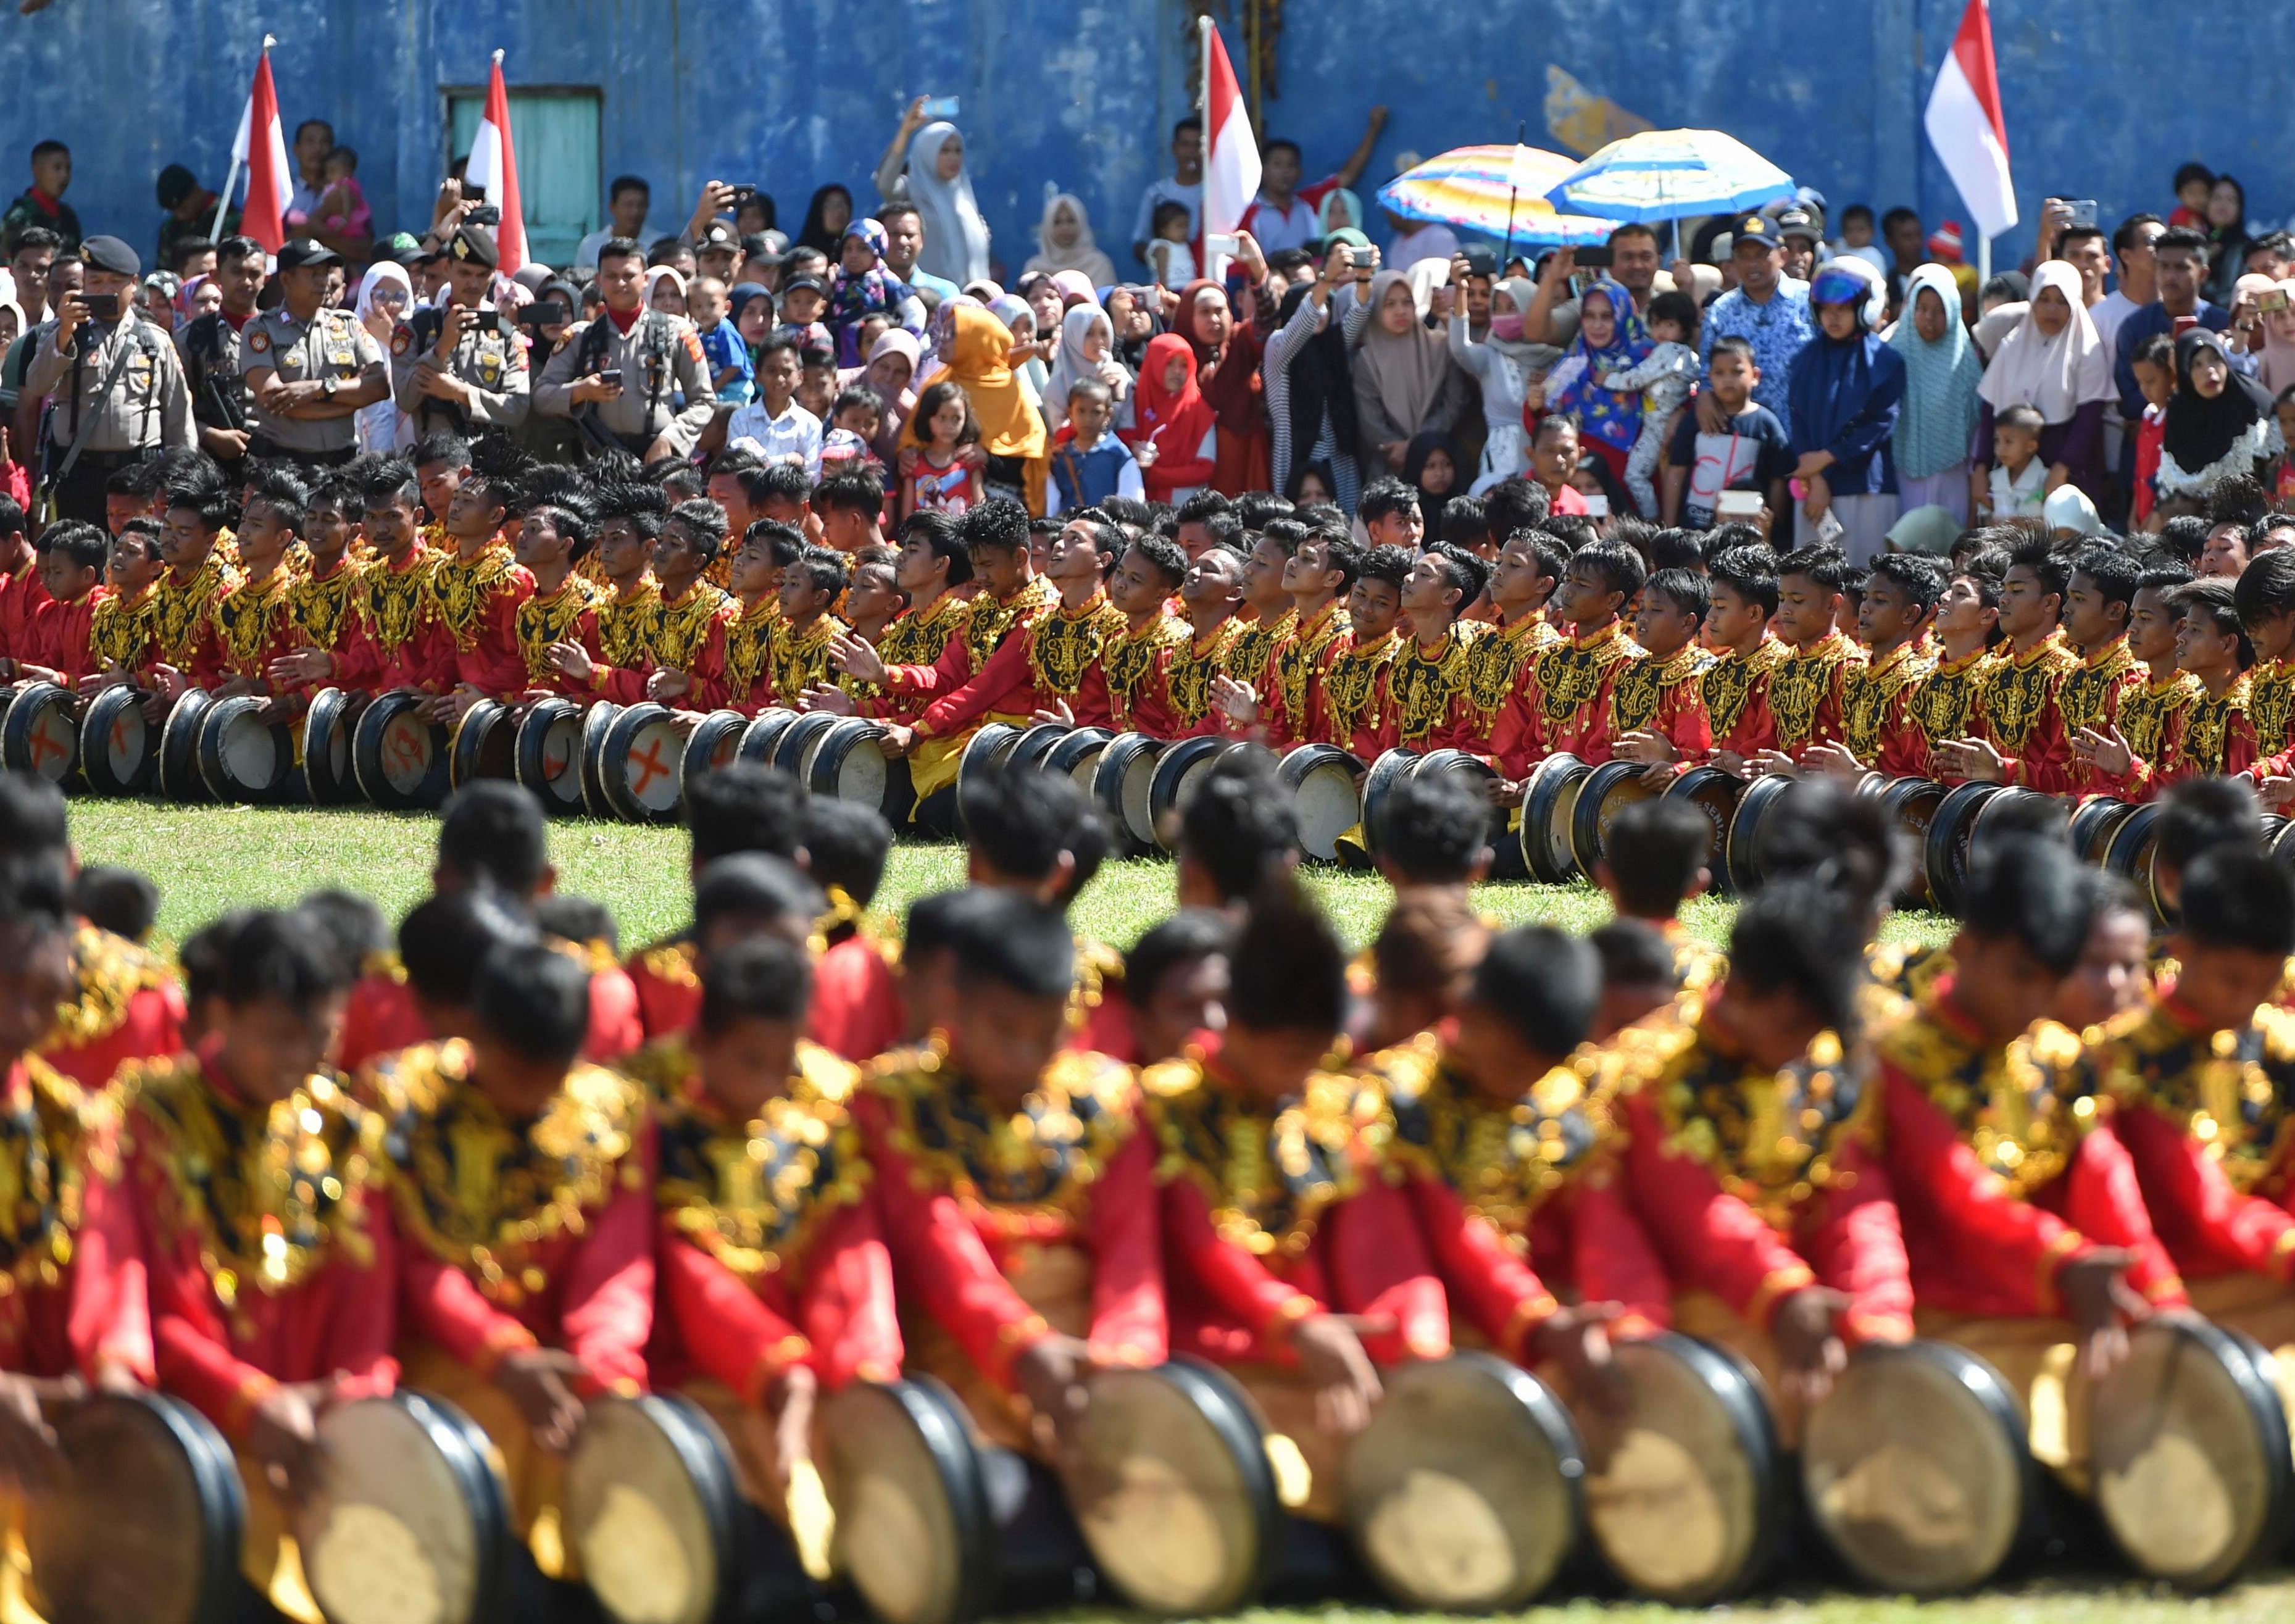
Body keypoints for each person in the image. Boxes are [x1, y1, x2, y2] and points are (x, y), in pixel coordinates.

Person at [360, 941, 652, 1578]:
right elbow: (412, 1260)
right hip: (440, 1362)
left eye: (551, 1076)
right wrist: (501, 1355)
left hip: (566, 1365)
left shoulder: (613, 1113)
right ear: (472, 1031)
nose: (533, 1094)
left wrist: (601, 1366)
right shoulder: (401, 1099)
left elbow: (617, 1265)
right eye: (518, 1074)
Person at [22, 235, 193, 523]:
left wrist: (182, 479)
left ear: (133, 284)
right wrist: (65, 333)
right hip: (79, 470)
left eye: (115, 282)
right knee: (81, 556)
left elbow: (178, 416)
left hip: (139, 471)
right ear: (85, 284)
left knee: (137, 556)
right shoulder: (62, 331)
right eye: (97, 282)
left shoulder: (154, 340)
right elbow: (38, 385)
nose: (106, 290)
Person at [535, 237, 715, 461]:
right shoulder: (581, 337)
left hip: (658, 458)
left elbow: (703, 400)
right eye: (612, 276)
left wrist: (671, 440)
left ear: (645, 279)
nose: (620, 284)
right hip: (600, 460)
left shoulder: (675, 331)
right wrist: (581, 391)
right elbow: (541, 397)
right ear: (599, 280)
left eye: (629, 276)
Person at [1972, 260, 2113, 516]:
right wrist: (1980, 468)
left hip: (2068, 473)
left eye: (2062, 301)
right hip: (2011, 473)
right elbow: (1989, 408)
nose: (2052, 309)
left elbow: (2088, 419)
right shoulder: (2012, 346)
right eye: (2044, 299)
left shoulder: (2087, 349)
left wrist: (2062, 469)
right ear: (2032, 300)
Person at [235, 239, 387, 471]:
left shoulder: (348, 324)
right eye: (313, 274)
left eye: (326, 273)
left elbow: (379, 387)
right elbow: (273, 398)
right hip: (284, 463)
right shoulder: (261, 328)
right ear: (286, 279)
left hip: (342, 461)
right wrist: (349, 402)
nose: (323, 282)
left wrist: (319, 389)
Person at [1786, 259, 1902, 560]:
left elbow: (1880, 423)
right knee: (1811, 583)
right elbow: (1798, 419)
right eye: (1826, 309)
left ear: (1864, 309)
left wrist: (1824, 460)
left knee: (1863, 580)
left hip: (1865, 488)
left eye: (1843, 309)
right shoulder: (1803, 361)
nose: (1833, 317)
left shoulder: (1886, 362)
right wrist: (1817, 478)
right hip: (1812, 490)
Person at [903, 303, 1046, 512]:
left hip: (996, 504)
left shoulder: (1009, 390)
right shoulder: (939, 384)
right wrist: (906, 455)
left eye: (953, 334)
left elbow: (1031, 458)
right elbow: (915, 437)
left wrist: (989, 458)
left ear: (975, 340)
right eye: (945, 330)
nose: (943, 338)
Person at [1267, 241, 1372, 511]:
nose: (1320, 311)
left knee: (1342, 524)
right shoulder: (1278, 346)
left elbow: (1359, 314)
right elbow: (1300, 326)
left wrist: (1364, 276)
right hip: (1296, 454)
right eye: (1314, 303)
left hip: (1337, 459)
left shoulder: (1332, 344)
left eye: (1327, 305)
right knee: (1294, 526)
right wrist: (1326, 279)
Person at [1352, 267, 1466, 482]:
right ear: (1376, 309)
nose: (1401, 311)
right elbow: (1371, 422)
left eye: (1407, 302)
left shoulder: (1440, 345)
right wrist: (1399, 450)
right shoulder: (1366, 359)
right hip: (1390, 466)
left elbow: (1455, 403)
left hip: (1439, 460)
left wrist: (1417, 445)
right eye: (1390, 304)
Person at [1889, 262, 1983, 522]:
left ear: (1954, 312)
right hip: (1903, 468)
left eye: (1940, 311)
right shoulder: (1892, 355)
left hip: (1954, 472)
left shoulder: (1965, 360)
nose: (1929, 318)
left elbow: (1977, 420)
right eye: (1922, 309)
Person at [1597, 288, 1702, 518]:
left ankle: (1651, 522)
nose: (1661, 331)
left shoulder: (1669, 351)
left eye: (1669, 325)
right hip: (1661, 425)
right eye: (1656, 324)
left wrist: (1608, 379)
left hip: (1660, 427)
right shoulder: (1689, 356)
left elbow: (1638, 378)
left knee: (1635, 476)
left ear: (1684, 327)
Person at [1236, 109, 1388, 254]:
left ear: (1299, 173)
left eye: (1291, 165)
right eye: (1277, 165)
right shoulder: (1248, 211)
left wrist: (1374, 129)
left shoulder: (1309, 202)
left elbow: (1347, 176)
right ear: (1263, 171)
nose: (1285, 172)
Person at [2158, 328, 2283, 502]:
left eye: (2215, 359)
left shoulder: (2252, 401)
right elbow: (2173, 487)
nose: (2209, 370)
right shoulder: (2179, 411)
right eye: (2196, 365)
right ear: (2185, 372)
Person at [873, 106, 990, 287]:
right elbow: (885, 185)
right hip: (927, 297)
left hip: (969, 298)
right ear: (927, 151)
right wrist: (905, 133)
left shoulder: (963, 196)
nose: (953, 157)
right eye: (944, 151)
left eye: (958, 151)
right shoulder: (910, 190)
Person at [1125, 333, 1216, 505]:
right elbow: (1123, 441)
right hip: (1137, 503)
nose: (1177, 372)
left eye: (1184, 365)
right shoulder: (1133, 400)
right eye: (1170, 363)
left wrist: (1153, 475)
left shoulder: (1199, 409)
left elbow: (1205, 468)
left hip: (1182, 507)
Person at [727, 332, 823, 477]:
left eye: (787, 371)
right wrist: (783, 461)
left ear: (800, 377)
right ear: (758, 375)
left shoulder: (810, 424)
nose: (779, 379)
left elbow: (811, 476)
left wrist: (760, 464)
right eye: (771, 371)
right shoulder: (741, 419)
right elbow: (735, 470)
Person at [1040, 301, 1129, 434]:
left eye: (1104, 333)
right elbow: (1059, 433)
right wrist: (1096, 391)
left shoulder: (1118, 372)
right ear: (1073, 336)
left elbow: (1132, 420)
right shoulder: (1057, 385)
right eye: (1089, 334)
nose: (1099, 341)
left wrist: (1121, 391)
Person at [1023, 191, 1117, 288]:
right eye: (1057, 222)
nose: (1065, 228)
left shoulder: (1099, 265)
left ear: (1082, 224)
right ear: (1048, 227)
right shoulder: (1034, 268)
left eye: (1071, 221)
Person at [2, 139, 79, 255]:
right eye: (57, 168)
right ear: (37, 171)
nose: (64, 176)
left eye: (68, 169)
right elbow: (7, 260)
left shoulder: (68, 217)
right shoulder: (21, 217)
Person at [794, 182, 855, 257]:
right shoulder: (801, 257)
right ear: (818, 213)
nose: (840, 211)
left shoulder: (857, 251)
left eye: (843, 204)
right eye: (832, 205)